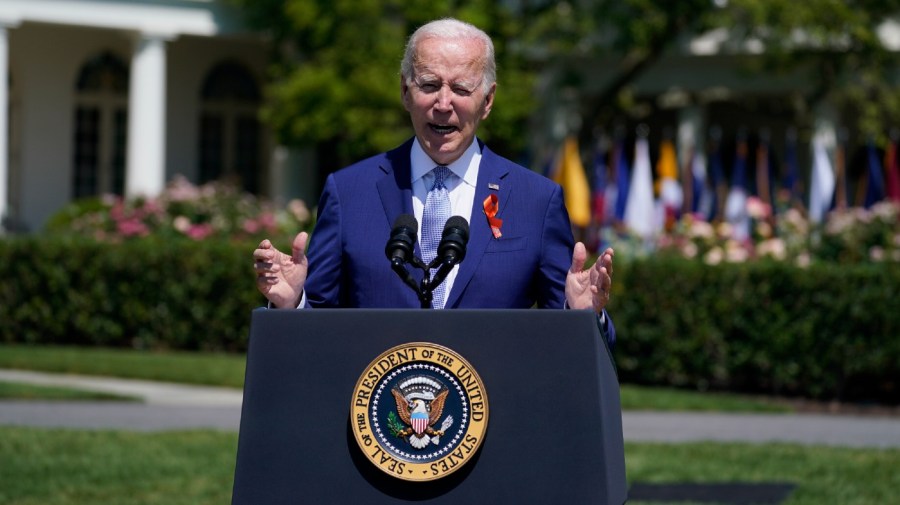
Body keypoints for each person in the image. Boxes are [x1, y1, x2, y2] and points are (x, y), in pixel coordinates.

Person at [253, 18, 617, 347]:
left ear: (487, 100)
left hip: (494, 413)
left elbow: (571, 346)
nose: (443, 104)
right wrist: (292, 303)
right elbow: (317, 321)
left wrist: (582, 314)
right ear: (405, 92)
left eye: (461, 89)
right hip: (374, 412)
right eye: (429, 85)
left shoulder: (536, 200)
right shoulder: (349, 192)